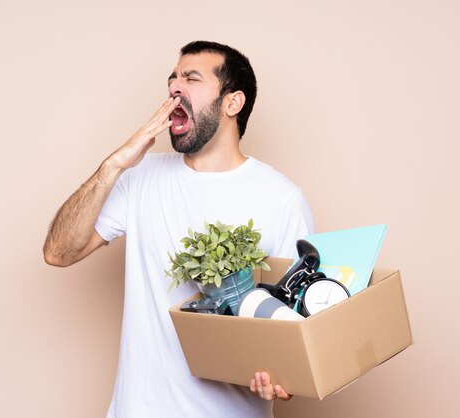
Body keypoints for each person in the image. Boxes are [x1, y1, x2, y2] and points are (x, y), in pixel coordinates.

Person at [43, 41, 314, 418]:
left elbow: (293, 329)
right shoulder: (140, 178)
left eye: (191, 78)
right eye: (173, 78)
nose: (174, 87)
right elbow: (59, 252)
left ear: (232, 103)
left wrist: (281, 379)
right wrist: (113, 165)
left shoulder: (281, 198)